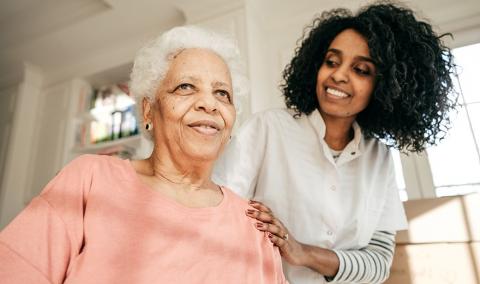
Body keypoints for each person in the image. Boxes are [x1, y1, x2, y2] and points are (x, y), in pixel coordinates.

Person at [0, 26, 287, 284]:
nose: (209, 104)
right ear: (149, 110)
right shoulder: (90, 179)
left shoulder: (255, 224)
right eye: (186, 87)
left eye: (223, 93)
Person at [213, 2, 457, 284]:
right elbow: (218, 215)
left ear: (386, 85)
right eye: (332, 61)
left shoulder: (379, 157)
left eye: (361, 70)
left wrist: (302, 252)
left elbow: (378, 264)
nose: (339, 75)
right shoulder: (269, 128)